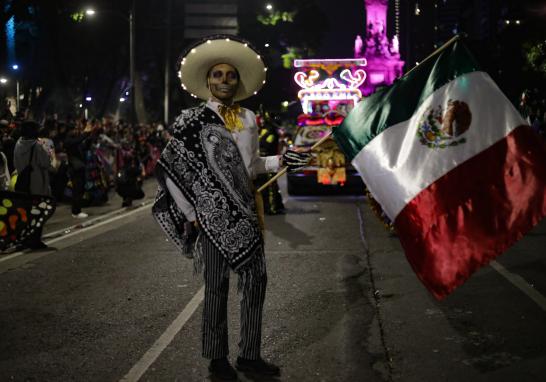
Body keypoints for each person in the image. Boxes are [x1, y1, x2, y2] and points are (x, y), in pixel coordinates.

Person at [152, 35, 310, 381]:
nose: (224, 81)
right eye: (217, 75)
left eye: (230, 76)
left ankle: (250, 355)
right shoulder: (190, 120)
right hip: (210, 218)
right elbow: (174, 173)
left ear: (238, 82)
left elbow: (250, 166)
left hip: (245, 212)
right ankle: (216, 359)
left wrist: (283, 159)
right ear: (207, 81)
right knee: (216, 286)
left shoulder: (250, 119)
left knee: (256, 281)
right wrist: (193, 216)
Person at [13, 120, 56, 250]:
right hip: (37, 183)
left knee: (25, 214)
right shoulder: (36, 145)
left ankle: (25, 239)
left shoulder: (18, 144)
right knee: (38, 213)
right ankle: (35, 241)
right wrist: (48, 154)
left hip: (23, 183)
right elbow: (46, 163)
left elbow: (15, 162)